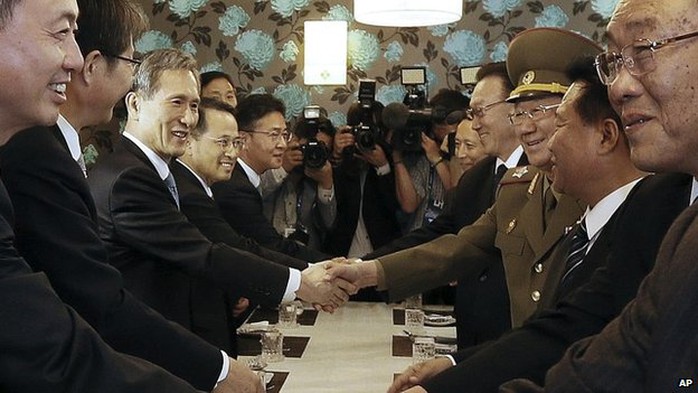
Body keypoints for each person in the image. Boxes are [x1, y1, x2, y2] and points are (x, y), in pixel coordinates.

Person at [388, 55, 690, 393]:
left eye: (557, 123)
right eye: (520, 114)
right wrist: (452, 367)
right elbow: (556, 329)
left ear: (606, 136)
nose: (544, 138)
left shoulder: (661, 219)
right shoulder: (592, 227)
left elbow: (587, 344)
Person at [0, 1, 261, 391]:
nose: (72, 58)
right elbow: (56, 335)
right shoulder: (42, 155)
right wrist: (214, 372)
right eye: (60, 32)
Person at [326, 28, 603, 330]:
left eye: (538, 111)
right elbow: (456, 248)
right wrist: (366, 271)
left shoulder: (598, 189)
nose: (526, 127)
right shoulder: (515, 188)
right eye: (520, 114)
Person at [500, 1, 698, 392]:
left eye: (643, 51)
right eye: (615, 61)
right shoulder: (684, 231)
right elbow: (600, 371)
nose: (619, 87)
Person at [88, 49, 353, 340]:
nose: (188, 118)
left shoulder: (146, 170)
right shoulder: (130, 177)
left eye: (194, 106)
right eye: (176, 102)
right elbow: (204, 254)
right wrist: (301, 282)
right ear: (136, 104)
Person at [364, 62, 525, 345]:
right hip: (470, 338)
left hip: (514, 343)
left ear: (514, 108)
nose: (474, 123)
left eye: (480, 112)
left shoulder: (545, 175)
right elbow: (434, 236)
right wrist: (362, 267)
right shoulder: (476, 178)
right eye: (471, 113)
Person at [172, 98, 311, 353]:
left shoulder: (199, 186)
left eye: (235, 143)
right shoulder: (189, 193)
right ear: (189, 141)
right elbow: (236, 248)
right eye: (223, 143)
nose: (233, 153)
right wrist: (308, 276)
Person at [212, 94, 330, 262]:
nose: (282, 144)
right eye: (274, 135)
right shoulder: (235, 188)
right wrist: (331, 263)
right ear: (243, 139)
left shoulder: (243, 178)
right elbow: (270, 246)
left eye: (284, 135)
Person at [392, 89, 469, 232]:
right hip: (421, 238)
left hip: (450, 240)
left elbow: (458, 195)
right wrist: (397, 158)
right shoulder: (425, 158)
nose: (439, 129)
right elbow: (409, 204)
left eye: (447, 123)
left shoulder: (468, 155)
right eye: (436, 124)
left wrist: (438, 160)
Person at [262, 113, 337, 250]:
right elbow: (256, 191)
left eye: (320, 149)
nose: (313, 153)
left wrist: (326, 184)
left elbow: (329, 223)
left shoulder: (323, 177)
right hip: (269, 254)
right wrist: (283, 167)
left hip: (306, 256)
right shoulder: (271, 165)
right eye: (307, 147)